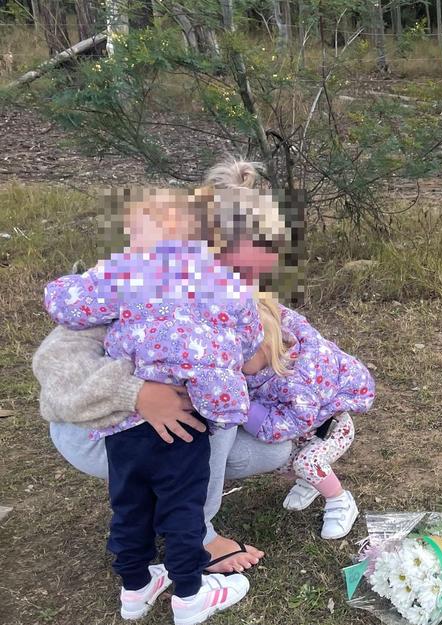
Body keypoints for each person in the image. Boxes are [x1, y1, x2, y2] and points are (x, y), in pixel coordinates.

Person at [34, 159, 293, 575]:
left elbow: (270, 360)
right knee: (211, 414)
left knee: (271, 446)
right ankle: (198, 536)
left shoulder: (241, 296)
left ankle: (166, 500)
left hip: (173, 431)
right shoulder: (135, 279)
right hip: (92, 425)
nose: (264, 265)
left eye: (270, 250)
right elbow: (56, 365)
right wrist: (135, 393)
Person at [243, 294, 375, 539]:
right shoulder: (271, 336)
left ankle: (339, 500)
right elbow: (275, 310)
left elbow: (291, 422)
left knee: (306, 462)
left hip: (331, 429)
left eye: (240, 357)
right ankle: (311, 482)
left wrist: (246, 410)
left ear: (264, 348)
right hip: (306, 433)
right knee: (281, 461)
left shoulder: (297, 380)